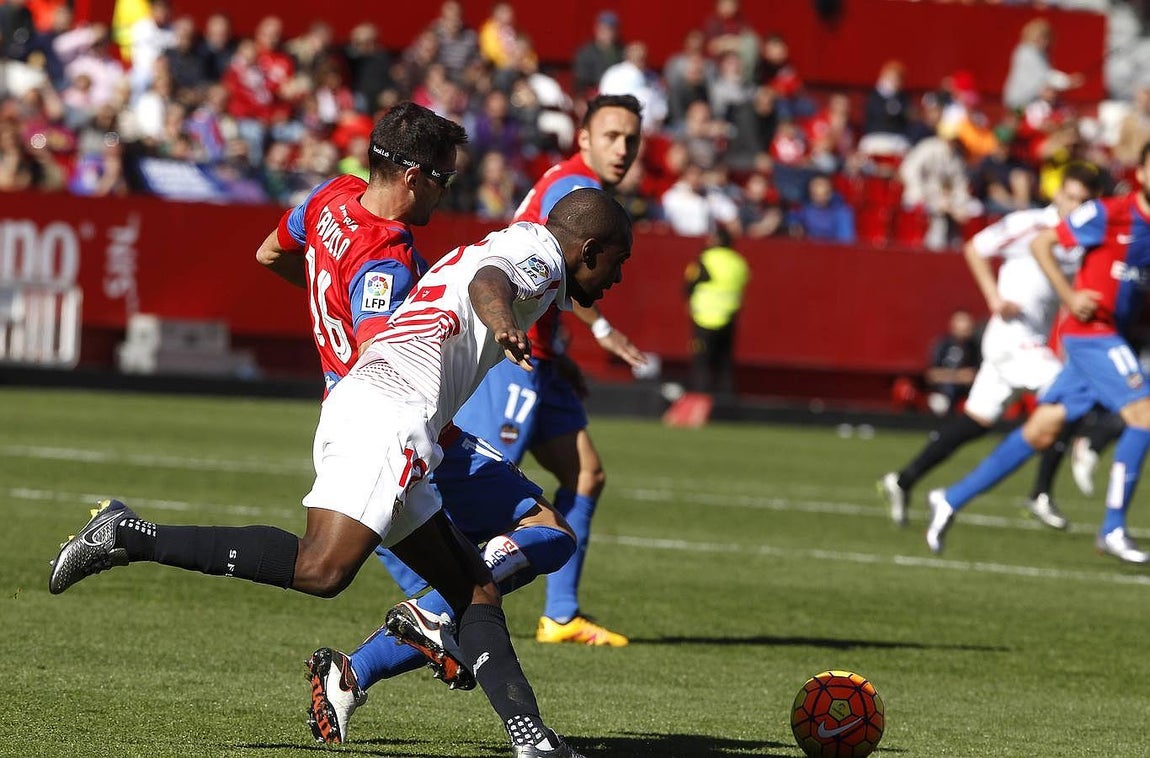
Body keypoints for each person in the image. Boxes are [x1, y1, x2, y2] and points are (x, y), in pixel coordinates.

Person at [47, 108, 637, 758]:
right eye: (617, 264)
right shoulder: (517, 258)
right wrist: (501, 323)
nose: (617, 280)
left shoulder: (343, 200)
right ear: (589, 250)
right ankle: (130, 536)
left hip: (372, 407)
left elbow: (277, 253)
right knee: (322, 569)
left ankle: (532, 739)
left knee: (473, 588)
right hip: (391, 414)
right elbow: (487, 283)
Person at [253, 104, 580, 744]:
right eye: (444, 179)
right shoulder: (391, 257)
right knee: (539, 538)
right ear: (412, 175)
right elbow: (385, 350)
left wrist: (330, 292)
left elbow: (270, 254)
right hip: (400, 423)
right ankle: (432, 628)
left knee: (493, 567)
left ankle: (358, 669)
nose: (446, 191)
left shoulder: (330, 198)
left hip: (354, 415)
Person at [452, 93, 646, 648]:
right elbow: (558, 267)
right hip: (516, 352)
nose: (622, 148)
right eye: (611, 136)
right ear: (584, 138)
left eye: (631, 139)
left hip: (542, 353)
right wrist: (601, 330)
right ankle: (442, 605)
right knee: (484, 487)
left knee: (586, 474)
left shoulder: (572, 183)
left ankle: (560, 615)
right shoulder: (576, 189)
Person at [925, 143, 1150, 564]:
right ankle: (1112, 527)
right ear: (1140, 172)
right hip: (1090, 335)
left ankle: (951, 497)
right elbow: (1042, 244)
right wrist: (1070, 296)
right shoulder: (1108, 213)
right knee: (1145, 414)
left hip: (1110, 337)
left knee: (1043, 430)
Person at [878, 163, 1103, 527]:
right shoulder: (1029, 223)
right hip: (1012, 338)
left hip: (1031, 342)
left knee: (976, 421)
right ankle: (1041, 493)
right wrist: (994, 298)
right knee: (1070, 395)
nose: (1074, 206)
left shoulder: (1082, 239)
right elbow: (975, 248)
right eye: (1070, 197)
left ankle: (904, 479)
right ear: (1058, 193)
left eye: (1083, 201)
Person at [683, 225, 750, 396]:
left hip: (705, 317)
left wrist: (689, 301)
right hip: (730, 315)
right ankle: (727, 399)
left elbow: (689, 284)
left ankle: (700, 396)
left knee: (702, 361)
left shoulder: (706, 259)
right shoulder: (739, 262)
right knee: (725, 361)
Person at [924, 309, 980, 417]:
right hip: (942, 394)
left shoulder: (975, 347)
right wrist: (959, 376)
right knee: (939, 404)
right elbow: (932, 375)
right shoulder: (942, 345)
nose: (965, 327)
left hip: (968, 395)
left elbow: (975, 375)